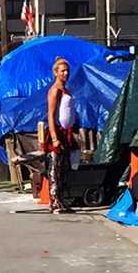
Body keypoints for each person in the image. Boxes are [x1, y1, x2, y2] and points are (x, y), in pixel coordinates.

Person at [43, 57, 77, 214]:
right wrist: (55, 138)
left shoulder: (66, 90)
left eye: (67, 70)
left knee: (64, 169)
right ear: (56, 72)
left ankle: (62, 200)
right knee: (54, 169)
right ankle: (54, 202)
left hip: (66, 132)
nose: (66, 73)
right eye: (62, 71)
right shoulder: (55, 90)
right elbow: (50, 115)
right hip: (57, 133)